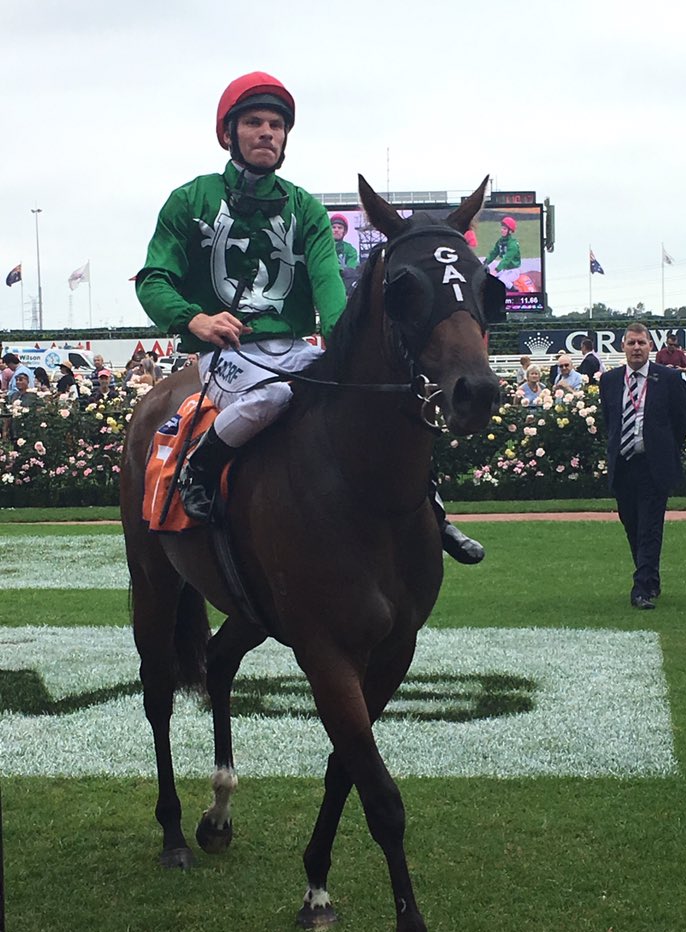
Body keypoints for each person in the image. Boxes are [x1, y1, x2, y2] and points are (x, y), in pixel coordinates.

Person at [135, 70, 484, 563]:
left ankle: (435, 512)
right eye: (253, 122)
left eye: (276, 125)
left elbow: (329, 286)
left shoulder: (305, 209)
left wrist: (346, 338)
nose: (266, 133)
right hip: (228, 353)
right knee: (274, 396)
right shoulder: (190, 200)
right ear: (228, 133)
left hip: (295, 347)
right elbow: (153, 279)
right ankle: (199, 471)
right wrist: (195, 320)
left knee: (387, 407)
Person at [599, 322, 686, 610]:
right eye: (631, 343)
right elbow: (609, 420)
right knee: (633, 526)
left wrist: (664, 450)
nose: (636, 348)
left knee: (650, 527)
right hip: (624, 464)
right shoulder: (610, 381)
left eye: (641, 343)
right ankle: (650, 578)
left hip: (654, 465)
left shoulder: (669, 380)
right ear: (623, 347)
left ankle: (641, 589)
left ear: (651, 346)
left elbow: (681, 422)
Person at [483, 216, 521, 288]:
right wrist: (485, 262)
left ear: (510, 231)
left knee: (502, 280)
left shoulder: (513, 245)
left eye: (504, 229)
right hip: (504, 268)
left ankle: (514, 290)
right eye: (502, 228)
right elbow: (494, 252)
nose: (502, 230)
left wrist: (496, 270)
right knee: (491, 265)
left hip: (513, 270)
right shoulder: (500, 241)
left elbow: (506, 260)